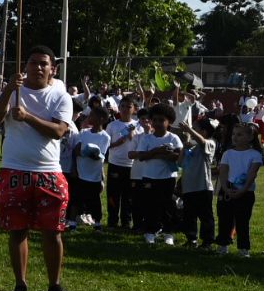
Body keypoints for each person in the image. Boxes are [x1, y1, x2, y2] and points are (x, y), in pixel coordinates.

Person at [0, 47, 76, 291]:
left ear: (52, 69)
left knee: (53, 231)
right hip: (14, 169)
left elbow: (58, 131)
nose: (37, 67)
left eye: (43, 64)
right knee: (18, 230)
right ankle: (20, 284)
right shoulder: (14, 91)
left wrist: (27, 117)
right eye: (32, 63)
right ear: (24, 66)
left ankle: (55, 284)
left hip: (49, 171)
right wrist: (7, 90)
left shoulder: (61, 96)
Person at [129, 104, 182, 246]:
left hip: (168, 177)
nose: (157, 123)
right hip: (149, 177)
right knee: (150, 205)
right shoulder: (146, 138)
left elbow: (178, 156)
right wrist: (158, 151)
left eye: (161, 120)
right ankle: (150, 232)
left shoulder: (173, 137)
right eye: (155, 120)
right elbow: (141, 156)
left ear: (169, 122)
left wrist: (159, 155)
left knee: (167, 206)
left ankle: (168, 233)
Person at [215, 121, 264, 256]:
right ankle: (223, 245)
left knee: (242, 221)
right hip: (227, 190)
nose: (235, 137)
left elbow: (252, 174)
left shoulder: (255, 154)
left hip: (245, 192)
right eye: (234, 134)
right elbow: (223, 172)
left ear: (250, 137)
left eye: (240, 135)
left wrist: (243, 189)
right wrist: (225, 188)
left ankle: (243, 248)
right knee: (224, 218)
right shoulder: (227, 153)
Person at [175, 118, 216, 249]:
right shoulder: (192, 147)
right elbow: (180, 163)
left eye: (195, 128)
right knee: (189, 215)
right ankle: (191, 239)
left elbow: (202, 141)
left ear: (204, 131)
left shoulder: (210, 143)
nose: (192, 131)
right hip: (188, 187)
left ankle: (207, 241)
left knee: (205, 216)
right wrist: (184, 147)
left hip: (203, 186)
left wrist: (188, 129)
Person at [104, 94, 141, 230]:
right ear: (118, 108)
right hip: (115, 164)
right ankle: (112, 221)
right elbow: (105, 145)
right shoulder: (112, 125)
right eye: (123, 106)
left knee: (128, 196)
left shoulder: (139, 125)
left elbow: (143, 145)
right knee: (113, 194)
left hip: (132, 166)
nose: (125, 109)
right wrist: (118, 142)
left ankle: (126, 221)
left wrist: (133, 136)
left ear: (134, 109)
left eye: (128, 107)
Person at [71, 109, 108, 228]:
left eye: (92, 115)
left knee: (95, 201)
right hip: (81, 173)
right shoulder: (83, 132)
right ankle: (72, 222)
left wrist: (92, 153)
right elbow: (76, 150)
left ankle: (97, 223)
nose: (89, 117)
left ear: (101, 119)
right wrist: (74, 167)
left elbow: (100, 156)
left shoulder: (105, 137)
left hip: (94, 175)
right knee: (76, 199)